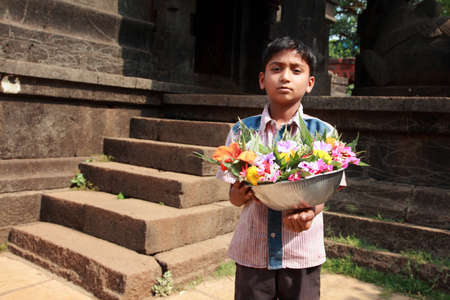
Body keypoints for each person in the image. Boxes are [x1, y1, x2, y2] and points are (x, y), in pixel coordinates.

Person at [217, 36, 345, 300]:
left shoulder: (324, 133)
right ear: (262, 79)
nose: (285, 76)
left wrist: (311, 211)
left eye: (296, 70)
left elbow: (327, 189)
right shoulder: (242, 132)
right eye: (276, 69)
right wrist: (239, 196)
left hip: (301, 251)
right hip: (254, 252)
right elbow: (233, 195)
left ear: (310, 83)